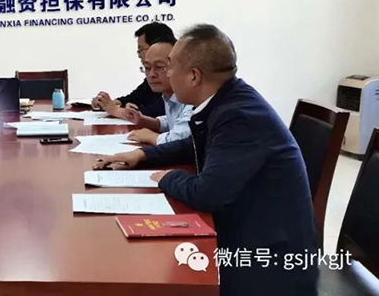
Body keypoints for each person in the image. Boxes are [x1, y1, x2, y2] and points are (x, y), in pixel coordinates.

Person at [94, 24, 318, 295]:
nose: (166, 74)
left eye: (170, 66)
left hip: (268, 264)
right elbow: (193, 145)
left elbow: (207, 194)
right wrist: (142, 154)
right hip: (253, 233)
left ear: (194, 76)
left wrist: (168, 177)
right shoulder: (227, 101)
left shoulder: (239, 116)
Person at [92, 22, 175, 118]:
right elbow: (134, 98)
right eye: (147, 68)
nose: (152, 74)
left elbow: (158, 113)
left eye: (141, 49)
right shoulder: (152, 77)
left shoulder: (177, 84)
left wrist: (117, 111)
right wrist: (112, 103)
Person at [121, 37, 192, 145]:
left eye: (159, 67)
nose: (151, 75)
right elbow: (174, 121)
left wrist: (151, 137)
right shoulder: (168, 95)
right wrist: (144, 121)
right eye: (147, 67)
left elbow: (180, 139)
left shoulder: (192, 97)